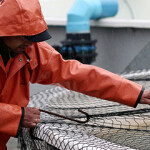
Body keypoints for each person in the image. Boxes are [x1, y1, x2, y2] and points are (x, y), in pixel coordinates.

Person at [0, 0, 150, 149]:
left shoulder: (30, 51)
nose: (30, 43)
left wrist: (136, 93)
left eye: (34, 37)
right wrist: (16, 116)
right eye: (24, 36)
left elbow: (75, 74)